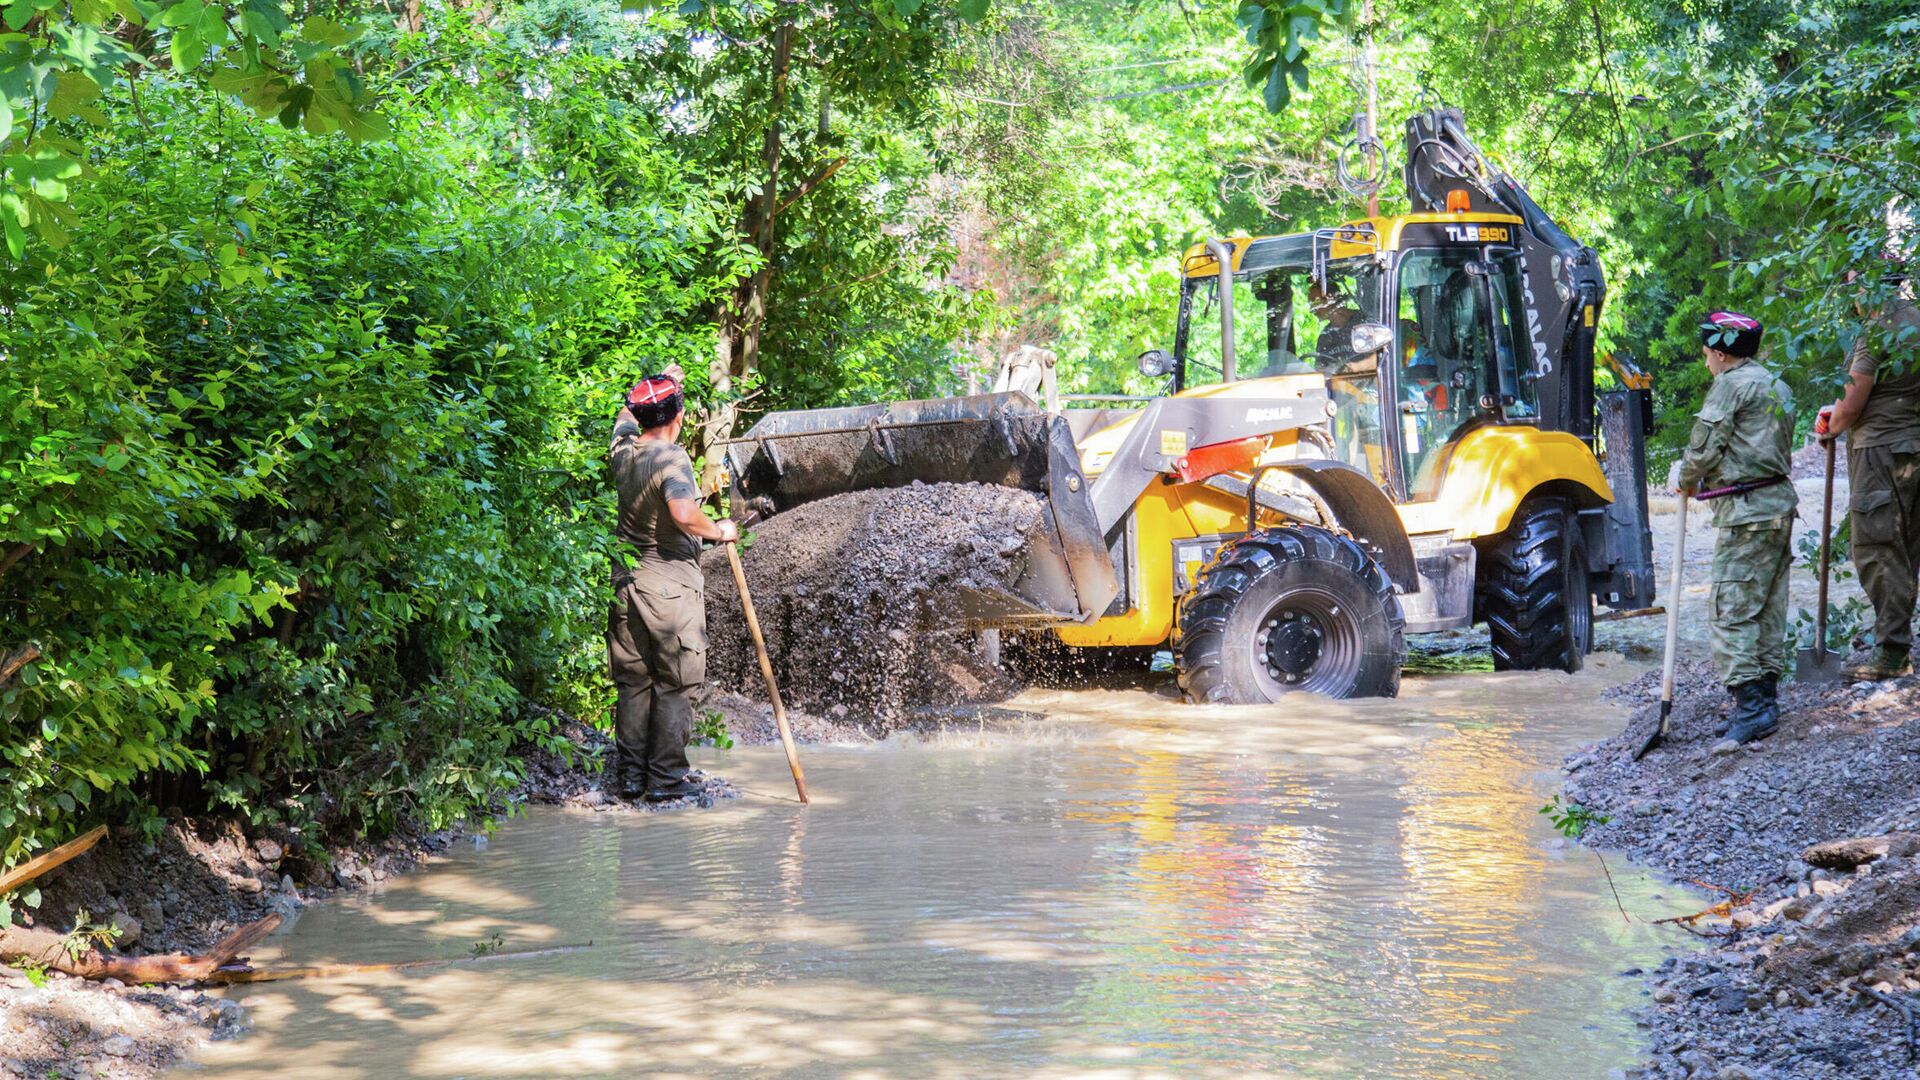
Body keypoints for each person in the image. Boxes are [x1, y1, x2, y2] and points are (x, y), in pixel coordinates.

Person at [607, 366, 737, 802]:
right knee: (677, 682)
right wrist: (720, 530)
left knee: (634, 680)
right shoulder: (672, 459)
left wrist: (657, 381)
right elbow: (683, 514)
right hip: (669, 588)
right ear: (678, 417)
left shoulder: (623, 450)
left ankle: (629, 778)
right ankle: (664, 782)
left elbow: (625, 416)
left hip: (625, 584)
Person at [1677, 311, 1798, 745]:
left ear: (1721, 353)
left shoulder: (1730, 385)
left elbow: (1705, 448)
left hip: (1746, 512)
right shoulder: (1776, 384)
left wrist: (1685, 478)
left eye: (1707, 354)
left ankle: (1752, 709)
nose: (1706, 362)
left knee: (1730, 611)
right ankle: (1765, 702)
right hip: (1779, 506)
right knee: (1765, 606)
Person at [1815, 269, 1920, 680]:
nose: (1850, 296)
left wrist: (1832, 423)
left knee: (1877, 548)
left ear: (1871, 287)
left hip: (1880, 453)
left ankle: (1893, 655)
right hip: (1913, 448)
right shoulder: (1915, 317)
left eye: (1853, 286)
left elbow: (1854, 400)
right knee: (1907, 550)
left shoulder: (1877, 329)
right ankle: (1897, 644)